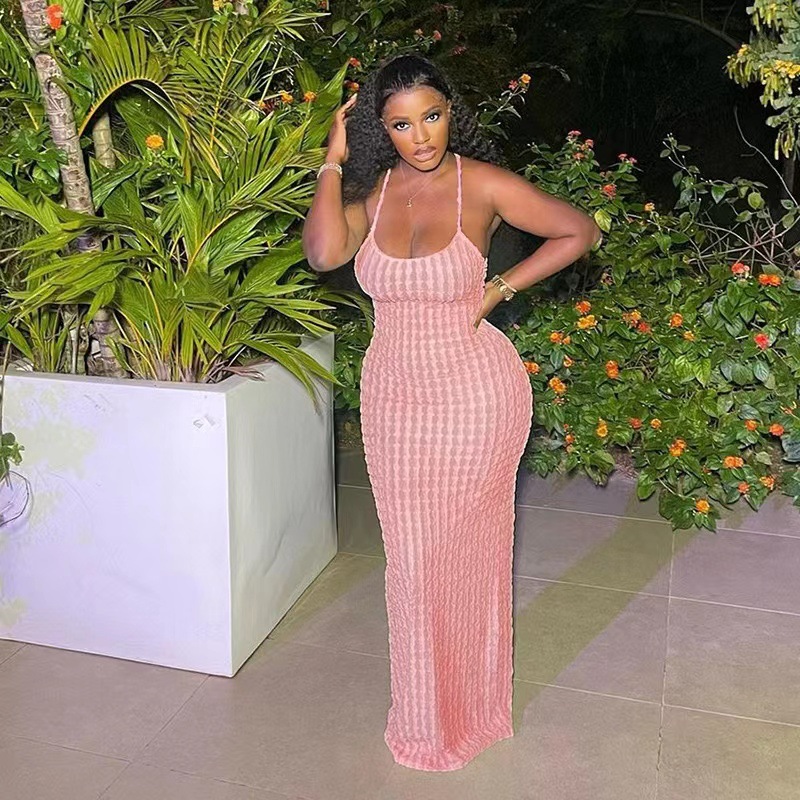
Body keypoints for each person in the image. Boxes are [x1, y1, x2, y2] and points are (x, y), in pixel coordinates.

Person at [302, 53, 600, 772]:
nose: (421, 136)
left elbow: (578, 231)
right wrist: (332, 162)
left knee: (460, 555)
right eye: (401, 125)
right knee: (411, 561)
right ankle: (425, 714)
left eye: (431, 116)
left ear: (450, 113)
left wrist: (499, 287)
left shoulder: (482, 184)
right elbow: (323, 252)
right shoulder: (372, 195)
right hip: (393, 398)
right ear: (381, 131)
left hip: (473, 395)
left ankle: (467, 712)